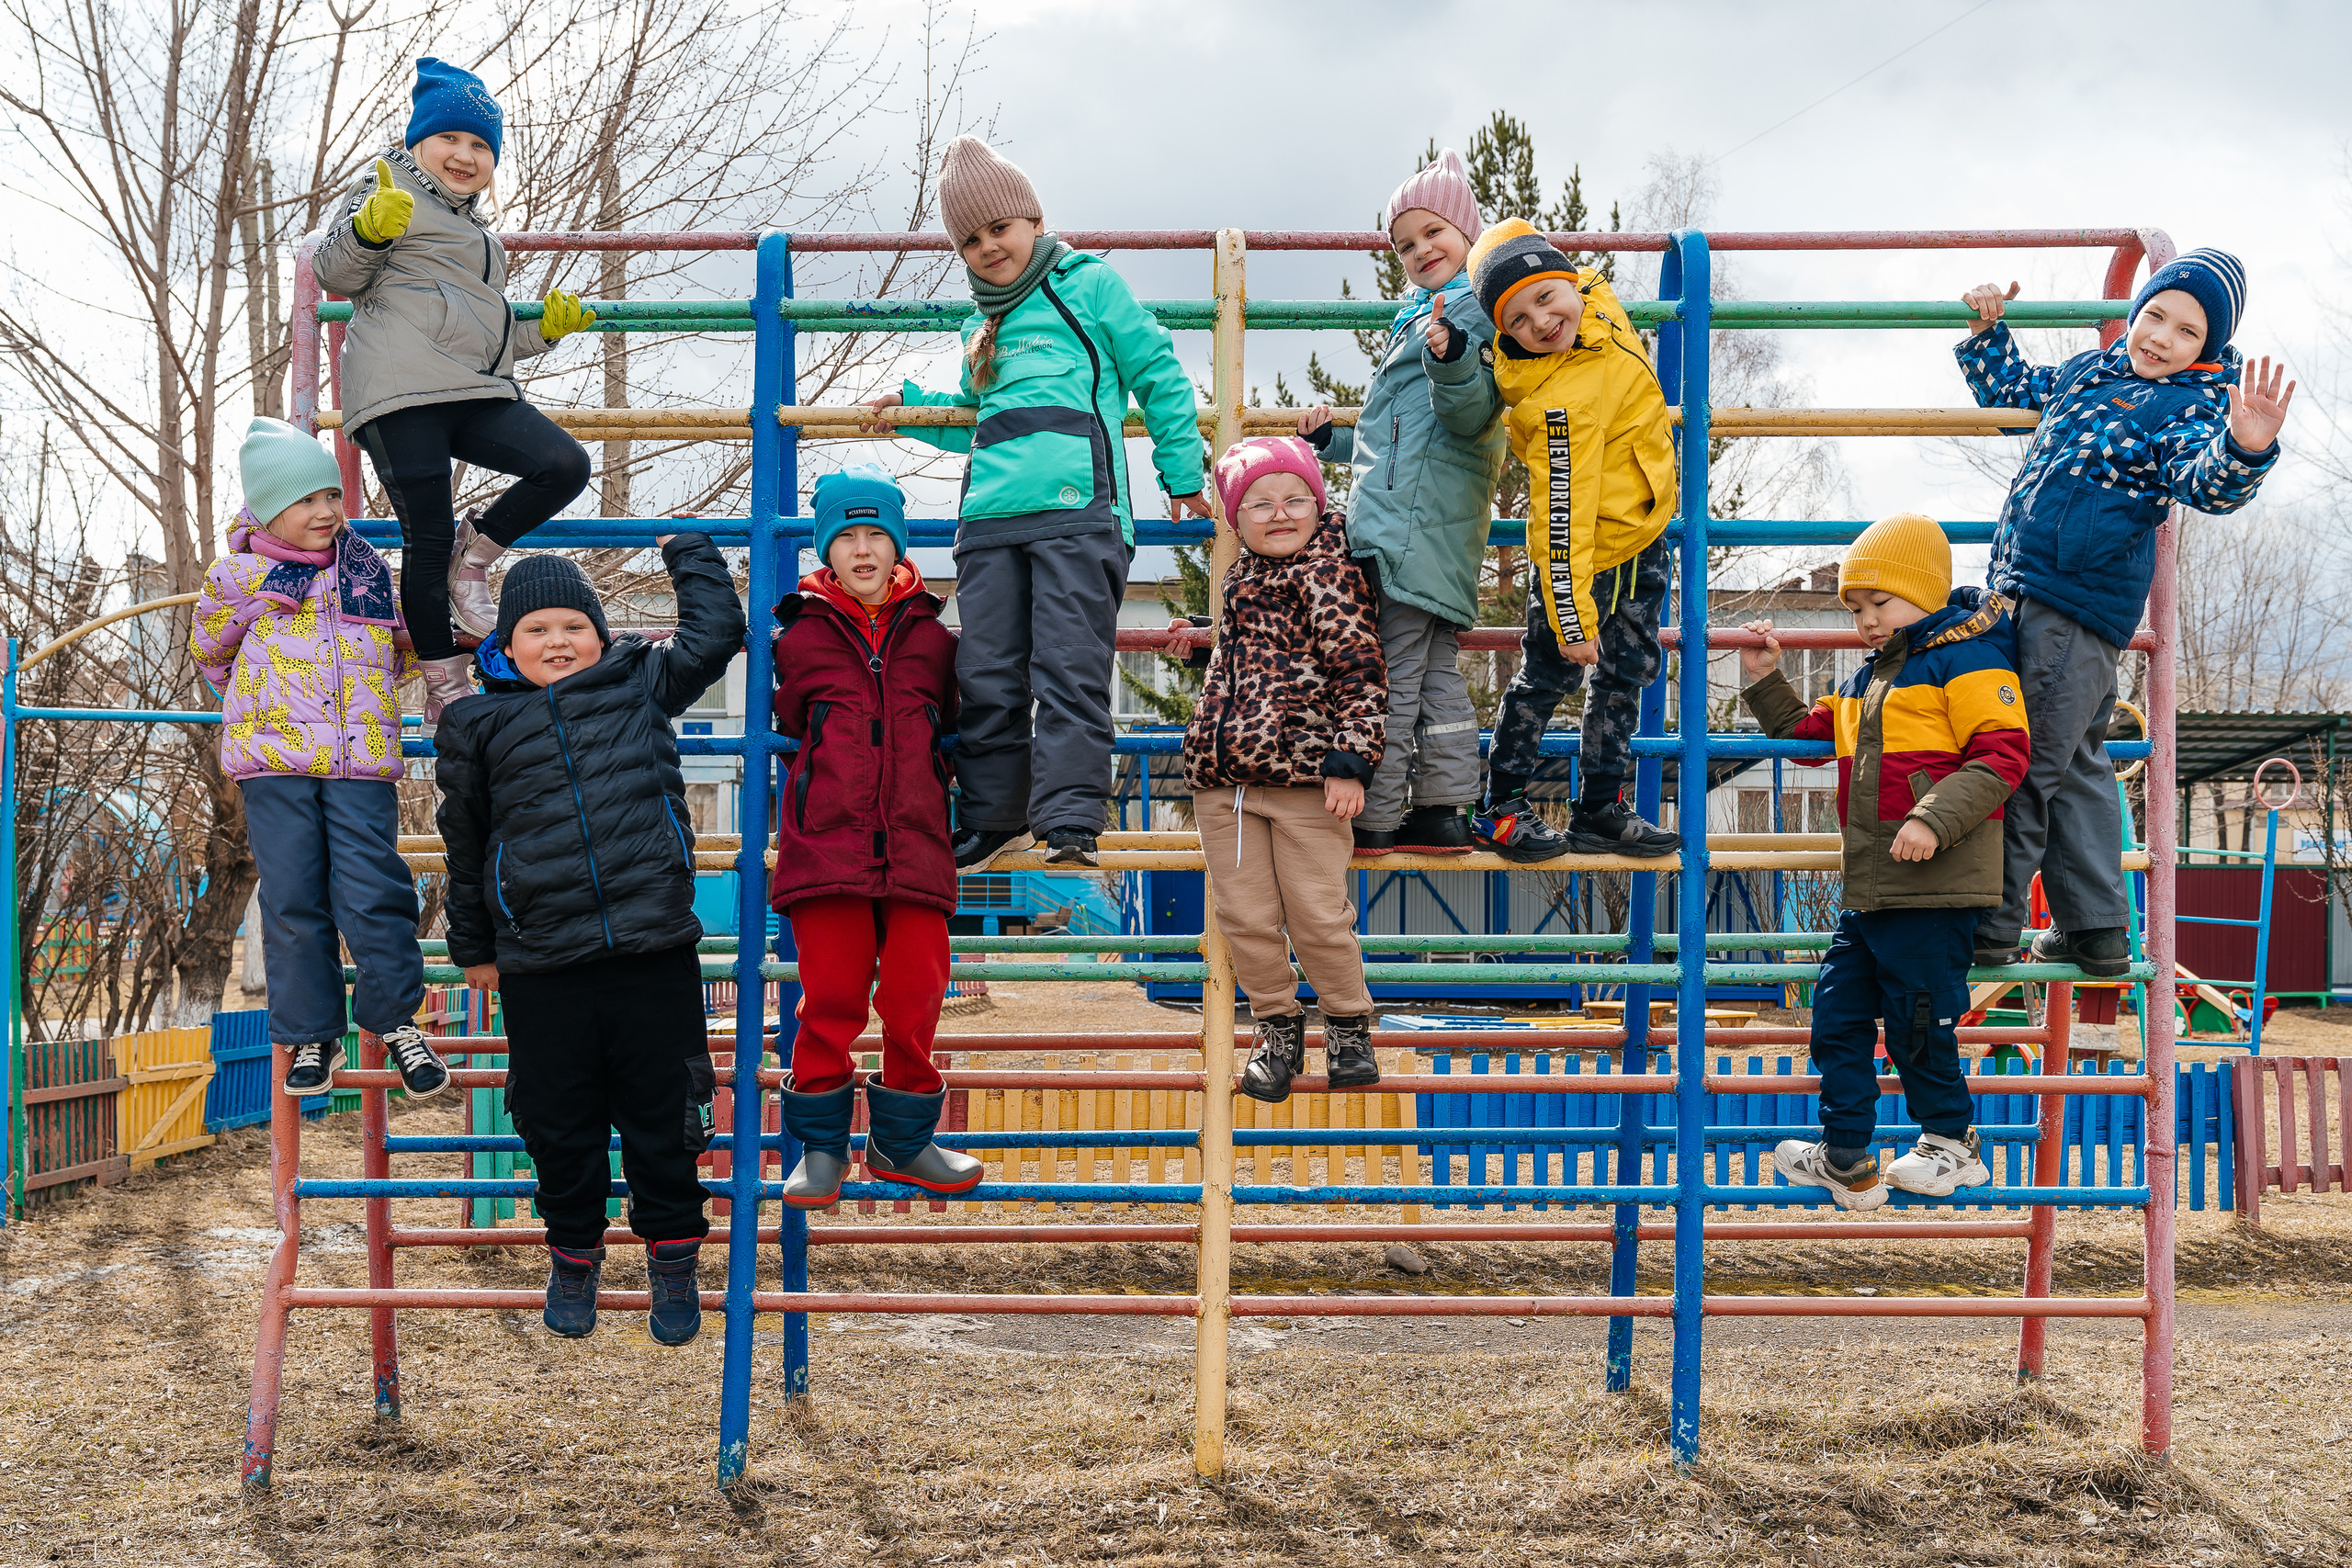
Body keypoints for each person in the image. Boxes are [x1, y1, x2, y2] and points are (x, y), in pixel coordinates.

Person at [862, 136, 1211, 872]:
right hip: (989, 520)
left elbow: (1157, 371)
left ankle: (1072, 820)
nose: (989, 248)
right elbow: (973, 415)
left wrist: (1181, 473)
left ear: (1033, 221)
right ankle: (995, 818)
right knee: (984, 672)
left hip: (1077, 514)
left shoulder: (1086, 285)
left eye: (1000, 229)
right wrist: (909, 404)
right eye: (971, 239)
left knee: (1068, 666)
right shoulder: (977, 324)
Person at [435, 538, 746, 1344]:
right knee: (556, 1120)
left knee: (669, 1115)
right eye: (537, 628)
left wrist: (691, 556)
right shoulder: (478, 724)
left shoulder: (640, 683)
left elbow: (714, 638)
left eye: (576, 624)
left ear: (603, 637)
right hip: (542, 962)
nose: (560, 640)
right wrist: (474, 946)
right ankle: (573, 1252)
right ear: (503, 646)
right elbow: (464, 843)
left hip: (652, 951)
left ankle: (673, 1263)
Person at [1955, 251, 2292, 975]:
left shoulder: (2192, 407)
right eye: (2156, 316)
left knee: (2018, 767)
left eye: (2188, 332)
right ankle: (2098, 927)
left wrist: (2246, 446)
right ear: (2135, 314)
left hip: (2074, 611)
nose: (2162, 338)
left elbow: (2206, 481)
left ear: (2209, 349)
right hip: (2022, 591)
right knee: (2074, 767)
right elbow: (2012, 392)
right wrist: (1989, 330)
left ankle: (1987, 927)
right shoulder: (2089, 371)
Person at [1738, 513, 2030, 1208]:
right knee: (1835, 1011)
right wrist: (1764, 680)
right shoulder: (1870, 679)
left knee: (1918, 1020)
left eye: (1881, 603)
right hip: (1870, 891)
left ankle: (1954, 1143)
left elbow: (2004, 754)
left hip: (1936, 889)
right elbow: (1808, 730)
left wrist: (1932, 817)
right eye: (1857, 608)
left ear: (1926, 593)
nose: (1868, 620)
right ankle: (1845, 1154)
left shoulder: (1971, 659)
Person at [312, 57, 599, 726]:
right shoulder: (386, 193)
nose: (464, 156)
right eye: (451, 139)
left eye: (480, 146)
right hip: (398, 391)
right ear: (419, 142)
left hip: (470, 388)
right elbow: (334, 269)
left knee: (564, 464)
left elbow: (483, 339)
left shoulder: (482, 238)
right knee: (427, 534)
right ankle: (444, 683)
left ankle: (479, 555)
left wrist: (542, 332)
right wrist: (369, 228)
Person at [192, 417, 451, 1102]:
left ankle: (396, 1022)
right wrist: (262, 643)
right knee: (292, 898)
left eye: (333, 496)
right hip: (274, 762)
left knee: (376, 891)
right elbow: (211, 654)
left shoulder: (365, 570)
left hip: (358, 759)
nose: (326, 512)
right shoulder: (237, 576)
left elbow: (402, 646)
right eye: (307, 499)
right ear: (268, 507)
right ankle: (312, 1034)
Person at [767, 467, 984, 1208]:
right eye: (847, 537)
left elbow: (955, 727)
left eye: (877, 535)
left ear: (899, 545)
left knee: (918, 991)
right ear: (828, 550)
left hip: (918, 842)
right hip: (828, 845)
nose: (863, 549)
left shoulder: (933, 636)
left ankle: (902, 1138)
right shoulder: (798, 635)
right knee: (828, 996)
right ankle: (821, 1148)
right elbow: (795, 724)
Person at [1297, 150, 1508, 858]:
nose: (1420, 251)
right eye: (1405, 243)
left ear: (1469, 233)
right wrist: (1332, 441)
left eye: (1433, 233)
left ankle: (1378, 815)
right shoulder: (1419, 314)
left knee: (1385, 672)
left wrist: (1451, 362)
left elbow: (1474, 411)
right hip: (1428, 523)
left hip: (1411, 530)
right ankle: (1446, 806)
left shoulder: (1471, 309)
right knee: (1435, 671)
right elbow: (1395, 436)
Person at [1456, 220, 1679, 862]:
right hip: (1580, 565)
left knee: (1628, 674)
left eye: (1547, 297)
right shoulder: (1556, 405)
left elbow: (1585, 282)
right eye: (1519, 320)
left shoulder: (1595, 309)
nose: (1543, 321)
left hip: (1640, 538)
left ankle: (1600, 806)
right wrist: (1573, 617)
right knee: (1546, 676)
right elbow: (1559, 524)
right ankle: (1500, 804)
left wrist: (1563, 276)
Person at [1184, 438, 1385, 1103]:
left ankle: (1350, 1024)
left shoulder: (1331, 573)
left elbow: (1359, 669)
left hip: (1305, 778)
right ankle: (1277, 1025)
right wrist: (1206, 644)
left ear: (1318, 505)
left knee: (1318, 914)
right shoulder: (1240, 578)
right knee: (1243, 915)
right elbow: (1259, 657)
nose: (1279, 513)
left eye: (1295, 498)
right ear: (1236, 520)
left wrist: (1351, 760)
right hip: (1226, 782)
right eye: (1259, 504)